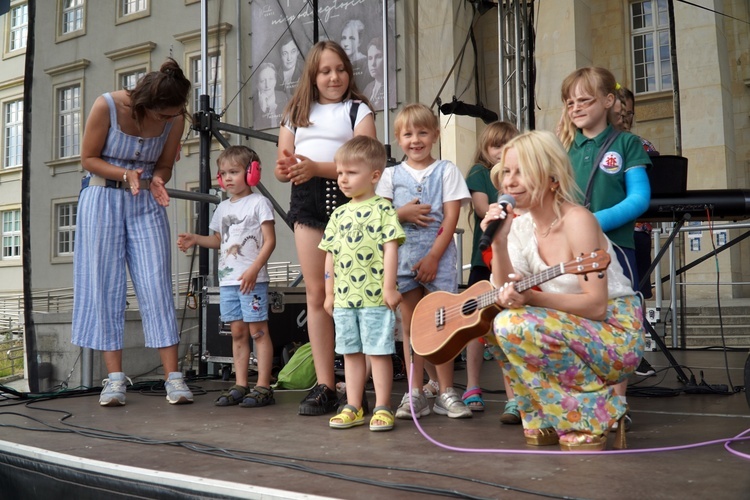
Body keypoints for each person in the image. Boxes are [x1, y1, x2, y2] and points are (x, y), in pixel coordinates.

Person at [482, 129, 645, 451]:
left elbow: (597, 306)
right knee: (491, 321)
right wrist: (498, 242)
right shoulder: (521, 225)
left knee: (514, 324)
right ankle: (543, 418)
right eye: (506, 172)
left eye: (521, 172)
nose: (509, 183)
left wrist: (532, 299)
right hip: (570, 325)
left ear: (552, 177)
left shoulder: (578, 220)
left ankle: (596, 415)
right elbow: (506, 288)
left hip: (614, 329)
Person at [72, 58, 194, 406]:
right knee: (105, 283)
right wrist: (124, 174)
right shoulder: (107, 105)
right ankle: (113, 380)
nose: (170, 121)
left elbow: (165, 164)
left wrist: (158, 179)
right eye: (163, 116)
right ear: (144, 105)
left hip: (145, 204)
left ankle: (173, 377)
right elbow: (88, 158)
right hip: (102, 197)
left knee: (156, 282)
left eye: (174, 116)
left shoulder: (175, 117)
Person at [275, 41, 376, 416]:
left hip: (349, 197)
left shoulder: (358, 110)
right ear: (313, 77)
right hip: (306, 199)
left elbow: (367, 160)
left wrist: (317, 167)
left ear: (349, 72)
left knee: (353, 297)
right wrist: (289, 169)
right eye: (325, 71)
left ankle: (360, 386)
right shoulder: (295, 112)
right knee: (317, 295)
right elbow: (281, 163)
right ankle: (324, 385)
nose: (333, 77)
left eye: (340, 69)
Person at [558, 68, 652, 429]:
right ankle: (582, 400)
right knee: (574, 320)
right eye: (571, 102)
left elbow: (640, 199)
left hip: (618, 248)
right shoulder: (562, 147)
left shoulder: (628, 144)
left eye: (586, 99)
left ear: (609, 100)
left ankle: (617, 404)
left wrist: (589, 223)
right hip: (567, 252)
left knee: (614, 322)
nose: (577, 107)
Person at [375, 103, 473, 420]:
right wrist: (401, 214)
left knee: (441, 326)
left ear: (434, 135)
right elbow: (379, 219)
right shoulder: (390, 175)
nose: (415, 139)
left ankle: (446, 391)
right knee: (412, 329)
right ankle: (415, 393)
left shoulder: (448, 171)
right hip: (402, 263)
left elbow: (451, 216)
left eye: (422, 132)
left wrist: (433, 256)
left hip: (439, 260)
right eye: (407, 134)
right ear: (398, 138)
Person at [177, 146, 277, 408]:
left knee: (258, 332)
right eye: (223, 173)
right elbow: (219, 240)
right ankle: (241, 384)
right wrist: (195, 239)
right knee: (237, 333)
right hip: (229, 283)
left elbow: (270, 241)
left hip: (252, 280)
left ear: (252, 172)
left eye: (234, 172)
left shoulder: (259, 203)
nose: (228, 178)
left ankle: (263, 386)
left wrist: (255, 268)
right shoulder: (221, 208)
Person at [320, 136, 405, 431]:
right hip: (344, 299)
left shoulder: (383, 210)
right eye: (340, 173)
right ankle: (353, 406)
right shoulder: (338, 214)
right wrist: (329, 293)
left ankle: (382, 406)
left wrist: (389, 287)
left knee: (378, 352)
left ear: (374, 175)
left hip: (374, 297)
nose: (343, 179)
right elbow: (330, 256)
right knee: (351, 353)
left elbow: (391, 248)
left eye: (351, 173)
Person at [463, 121, 521, 423]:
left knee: (506, 323)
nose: (500, 152)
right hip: (482, 260)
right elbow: (481, 206)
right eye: (495, 145)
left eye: (507, 145)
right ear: (485, 149)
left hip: (515, 261)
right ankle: (472, 386)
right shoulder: (479, 173)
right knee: (476, 325)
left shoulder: (521, 177)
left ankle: (514, 397)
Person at [254, 62, 288, 130]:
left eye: (271, 79)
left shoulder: (287, 99)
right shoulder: (255, 108)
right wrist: (262, 110)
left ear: (275, 81)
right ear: (257, 85)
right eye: (263, 81)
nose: (267, 85)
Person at [340, 19, 371, 91]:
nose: (346, 43)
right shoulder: (340, 65)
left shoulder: (367, 64)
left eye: (351, 38)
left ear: (360, 41)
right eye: (344, 38)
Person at [363, 37, 384, 110]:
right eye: (370, 58)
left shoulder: (392, 84)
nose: (373, 63)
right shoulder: (368, 88)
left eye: (378, 57)